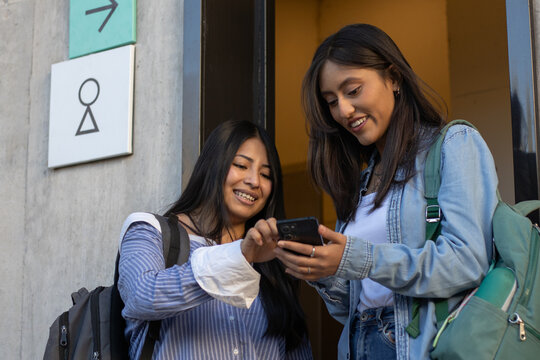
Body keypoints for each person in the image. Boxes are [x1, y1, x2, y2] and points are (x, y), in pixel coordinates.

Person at [270, 24, 499, 359]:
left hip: (420, 347)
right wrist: (321, 270)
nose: (343, 111)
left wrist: (357, 258)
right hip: (359, 343)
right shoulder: (362, 181)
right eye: (331, 101)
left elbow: (467, 262)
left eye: (353, 90)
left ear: (393, 78)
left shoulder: (453, 144)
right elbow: (350, 305)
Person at [117, 120, 313, 359]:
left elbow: (295, 347)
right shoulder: (150, 231)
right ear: (212, 165)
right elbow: (141, 296)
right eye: (241, 165)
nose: (254, 181)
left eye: (265, 174)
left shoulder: (271, 256)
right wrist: (239, 257)